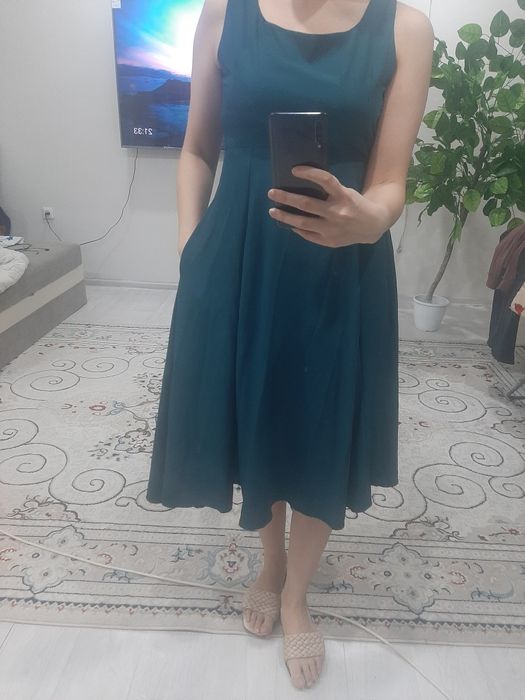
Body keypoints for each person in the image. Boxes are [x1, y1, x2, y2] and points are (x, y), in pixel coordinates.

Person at [146, 0, 434, 690]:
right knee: (256, 413)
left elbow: (390, 179)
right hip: (237, 257)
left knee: (319, 424)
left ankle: (297, 593)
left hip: (341, 266)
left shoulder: (404, 28)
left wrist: (371, 218)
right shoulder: (223, 13)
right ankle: (269, 565)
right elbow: (196, 149)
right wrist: (192, 252)